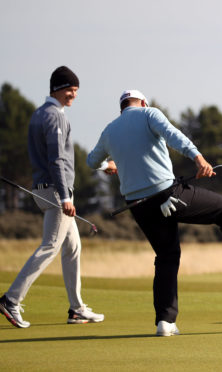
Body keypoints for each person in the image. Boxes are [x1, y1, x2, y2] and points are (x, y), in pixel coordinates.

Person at [86, 90, 222, 336]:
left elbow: (91, 161)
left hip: (138, 206)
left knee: (166, 255)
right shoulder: (149, 113)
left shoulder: (110, 131)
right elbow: (173, 136)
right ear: (143, 103)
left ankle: (165, 321)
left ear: (122, 108)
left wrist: (108, 165)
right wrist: (198, 158)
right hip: (168, 194)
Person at [0, 66, 105, 328]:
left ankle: (76, 308)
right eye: (71, 90)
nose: (74, 95)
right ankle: (11, 299)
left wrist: (102, 166)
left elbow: (62, 157)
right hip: (55, 191)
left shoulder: (39, 114)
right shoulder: (56, 116)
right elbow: (57, 159)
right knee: (50, 246)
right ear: (57, 88)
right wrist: (65, 196)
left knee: (73, 247)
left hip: (43, 189)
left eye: (76, 90)